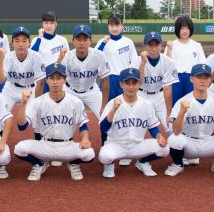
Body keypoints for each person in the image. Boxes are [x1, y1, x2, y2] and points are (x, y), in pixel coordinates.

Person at [13, 63, 95, 181]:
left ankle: (72, 163)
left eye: (59, 78)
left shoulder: (75, 102)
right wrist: (23, 104)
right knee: (19, 148)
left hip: (67, 145)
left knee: (89, 154)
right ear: (47, 80)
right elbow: (22, 126)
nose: (55, 82)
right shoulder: (38, 102)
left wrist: (85, 138)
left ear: (65, 80)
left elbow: (83, 125)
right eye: (52, 78)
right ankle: (40, 163)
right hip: (45, 145)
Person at [163, 64, 214, 177]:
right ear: (191, 78)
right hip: (188, 144)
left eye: (206, 77)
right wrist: (181, 113)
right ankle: (178, 164)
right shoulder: (183, 101)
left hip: (209, 142)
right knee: (174, 139)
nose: (203, 81)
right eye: (199, 77)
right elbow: (176, 131)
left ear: (210, 79)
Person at [98, 68, 170, 178]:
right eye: (127, 83)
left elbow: (153, 127)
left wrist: (159, 136)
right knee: (104, 156)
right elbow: (103, 128)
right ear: (121, 84)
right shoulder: (113, 103)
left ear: (139, 84)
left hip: (138, 145)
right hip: (117, 145)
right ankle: (109, 165)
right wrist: (113, 110)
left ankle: (142, 162)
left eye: (134, 83)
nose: (131, 87)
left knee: (165, 149)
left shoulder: (147, 104)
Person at [95, 14, 138, 166]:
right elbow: (95, 57)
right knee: (107, 113)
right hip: (107, 80)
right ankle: (105, 144)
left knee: (125, 112)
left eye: (117, 24)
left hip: (124, 80)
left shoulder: (128, 42)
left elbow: (134, 60)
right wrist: (102, 44)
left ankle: (125, 147)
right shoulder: (103, 42)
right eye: (111, 25)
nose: (114, 28)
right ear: (108, 26)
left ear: (122, 26)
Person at [165, 16, 206, 166]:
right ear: (177, 30)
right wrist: (169, 49)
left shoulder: (196, 45)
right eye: (182, 28)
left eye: (187, 28)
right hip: (176, 80)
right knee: (178, 113)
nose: (184, 31)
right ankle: (179, 150)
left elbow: (202, 64)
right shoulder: (172, 44)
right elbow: (167, 64)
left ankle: (193, 152)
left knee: (192, 111)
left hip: (191, 79)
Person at [59, 24, 110, 120]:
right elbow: (57, 77)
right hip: (70, 91)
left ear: (91, 41)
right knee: (61, 119)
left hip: (92, 92)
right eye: (78, 39)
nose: (81, 43)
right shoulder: (67, 57)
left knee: (106, 119)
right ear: (73, 41)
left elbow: (105, 81)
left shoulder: (99, 56)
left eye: (85, 39)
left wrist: (103, 106)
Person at [132, 32, 179, 131]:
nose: (154, 49)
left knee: (171, 128)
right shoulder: (136, 61)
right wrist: (143, 63)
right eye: (150, 45)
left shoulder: (168, 62)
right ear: (144, 46)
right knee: (135, 130)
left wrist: (169, 113)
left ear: (161, 45)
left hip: (160, 96)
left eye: (157, 45)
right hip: (141, 95)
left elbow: (167, 88)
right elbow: (137, 83)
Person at [0, 26, 46, 111]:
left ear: (29, 42)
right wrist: (0, 60)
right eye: (17, 41)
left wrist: (37, 103)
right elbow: (0, 80)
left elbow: (40, 82)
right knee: (1, 113)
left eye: (24, 40)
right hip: (11, 89)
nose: (21, 44)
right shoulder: (8, 57)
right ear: (12, 43)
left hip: (30, 89)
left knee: (31, 117)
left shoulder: (36, 56)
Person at [30, 11, 69, 94]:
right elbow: (31, 55)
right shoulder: (36, 40)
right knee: (41, 103)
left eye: (52, 23)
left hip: (57, 77)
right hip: (41, 77)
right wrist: (39, 38)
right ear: (42, 24)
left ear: (56, 24)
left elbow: (67, 60)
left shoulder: (62, 40)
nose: (49, 26)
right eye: (46, 23)